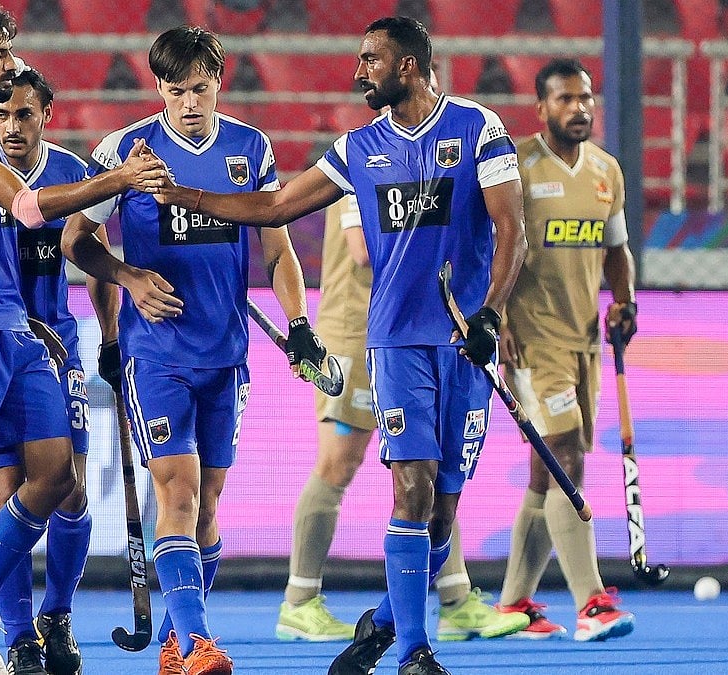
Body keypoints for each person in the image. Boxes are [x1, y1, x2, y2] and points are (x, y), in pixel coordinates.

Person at [151, 16, 527, 675]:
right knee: (411, 490)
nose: (358, 73)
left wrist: (491, 315)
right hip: (396, 344)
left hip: (465, 346)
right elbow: (274, 207)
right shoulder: (357, 148)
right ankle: (414, 651)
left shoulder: (478, 128)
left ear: (407, 66)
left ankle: (382, 625)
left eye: (369, 60)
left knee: (442, 519)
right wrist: (181, 194)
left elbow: (512, 231)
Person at [0, 7, 167, 675]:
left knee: (59, 475)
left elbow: (73, 241)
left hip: (19, 330)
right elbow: (25, 206)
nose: (9, 65)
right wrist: (117, 179)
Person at [62, 25, 326, 675]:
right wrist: (127, 278)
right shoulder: (125, 150)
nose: (188, 103)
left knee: (208, 506)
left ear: (219, 83)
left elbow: (276, 246)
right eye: (176, 90)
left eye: (200, 89)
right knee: (176, 494)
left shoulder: (250, 147)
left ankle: (176, 643)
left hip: (227, 355)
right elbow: (76, 242)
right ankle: (199, 641)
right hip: (156, 355)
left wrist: (298, 322)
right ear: (158, 87)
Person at [275, 197, 526, 644]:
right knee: (337, 464)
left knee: (432, 467)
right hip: (355, 333)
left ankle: (455, 600)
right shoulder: (361, 172)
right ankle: (299, 601)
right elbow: (363, 250)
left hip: (416, 334)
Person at [494, 58, 637, 642]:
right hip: (532, 342)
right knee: (567, 456)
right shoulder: (516, 167)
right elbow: (493, 245)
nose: (579, 108)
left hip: (584, 342)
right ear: (541, 108)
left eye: (586, 98)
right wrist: (496, 317)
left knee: (544, 472)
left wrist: (624, 301)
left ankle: (513, 604)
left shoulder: (606, 170)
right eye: (565, 99)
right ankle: (592, 602)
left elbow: (616, 249)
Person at [0, 66, 106, 675]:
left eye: (24, 114)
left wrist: (112, 337)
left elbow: (92, 257)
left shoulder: (71, 173)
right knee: (5, 490)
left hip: (56, 350)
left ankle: (57, 615)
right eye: (2, 114)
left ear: (45, 117)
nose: (12, 126)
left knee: (70, 490)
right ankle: (18, 637)